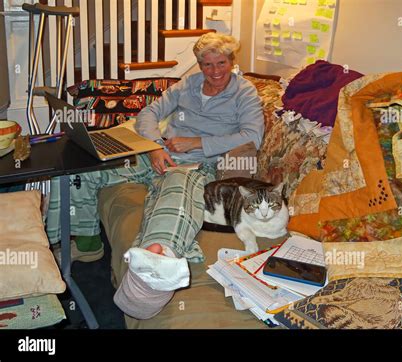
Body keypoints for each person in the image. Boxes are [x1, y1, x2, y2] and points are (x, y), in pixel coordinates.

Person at [46, 33, 264, 319]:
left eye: (221, 63)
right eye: (207, 65)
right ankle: (88, 243)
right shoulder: (189, 84)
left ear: (231, 60)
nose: (215, 72)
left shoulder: (244, 92)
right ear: (199, 64)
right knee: (81, 167)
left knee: (175, 195)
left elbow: (252, 136)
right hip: (159, 155)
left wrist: (196, 142)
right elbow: (149, 112)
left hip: (197, 164)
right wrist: (154, 147)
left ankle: (155, 267)